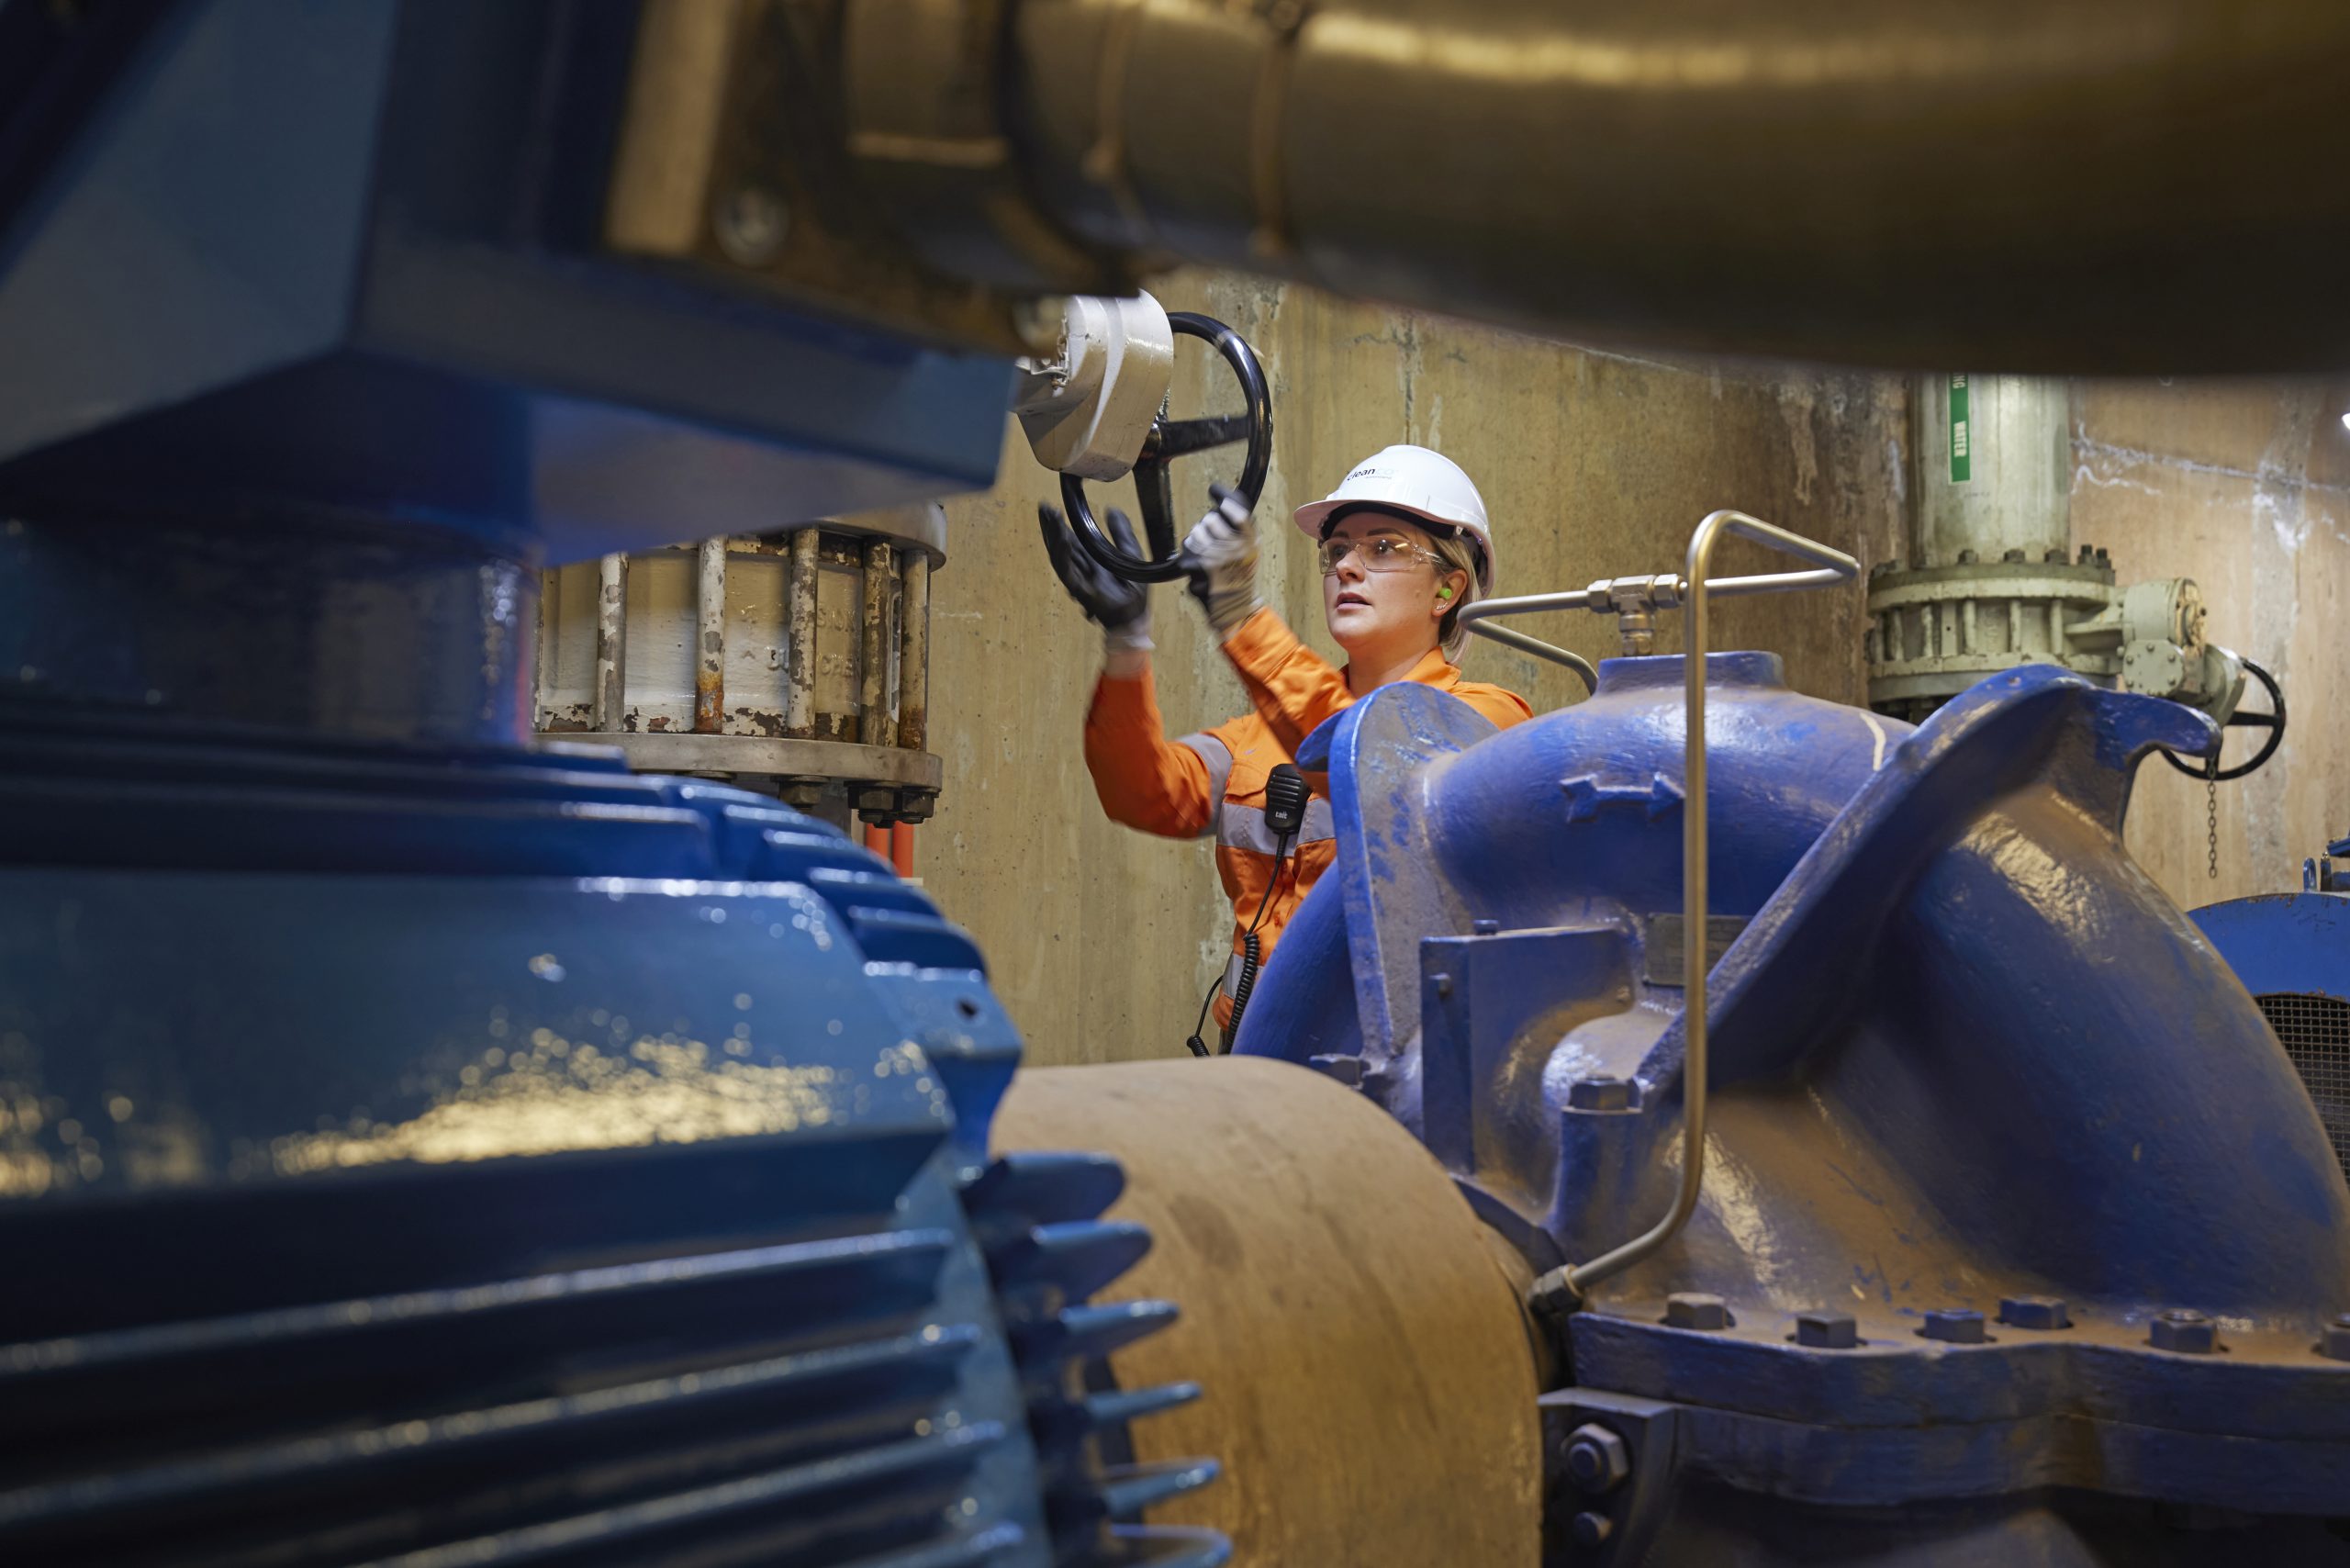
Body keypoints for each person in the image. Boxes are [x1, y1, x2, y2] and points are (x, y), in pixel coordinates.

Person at [1039, 443, 1532, 1048]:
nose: (1348, 567)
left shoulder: (1486, 723)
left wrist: (1240, 616)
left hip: (1397, 1075)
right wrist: (1125, 643)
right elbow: (1141, 792)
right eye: (1337, 550)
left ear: (1446, 590)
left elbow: (1377, 765)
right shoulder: (1260, 735)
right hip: (1256, 1058)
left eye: (1383, 548)